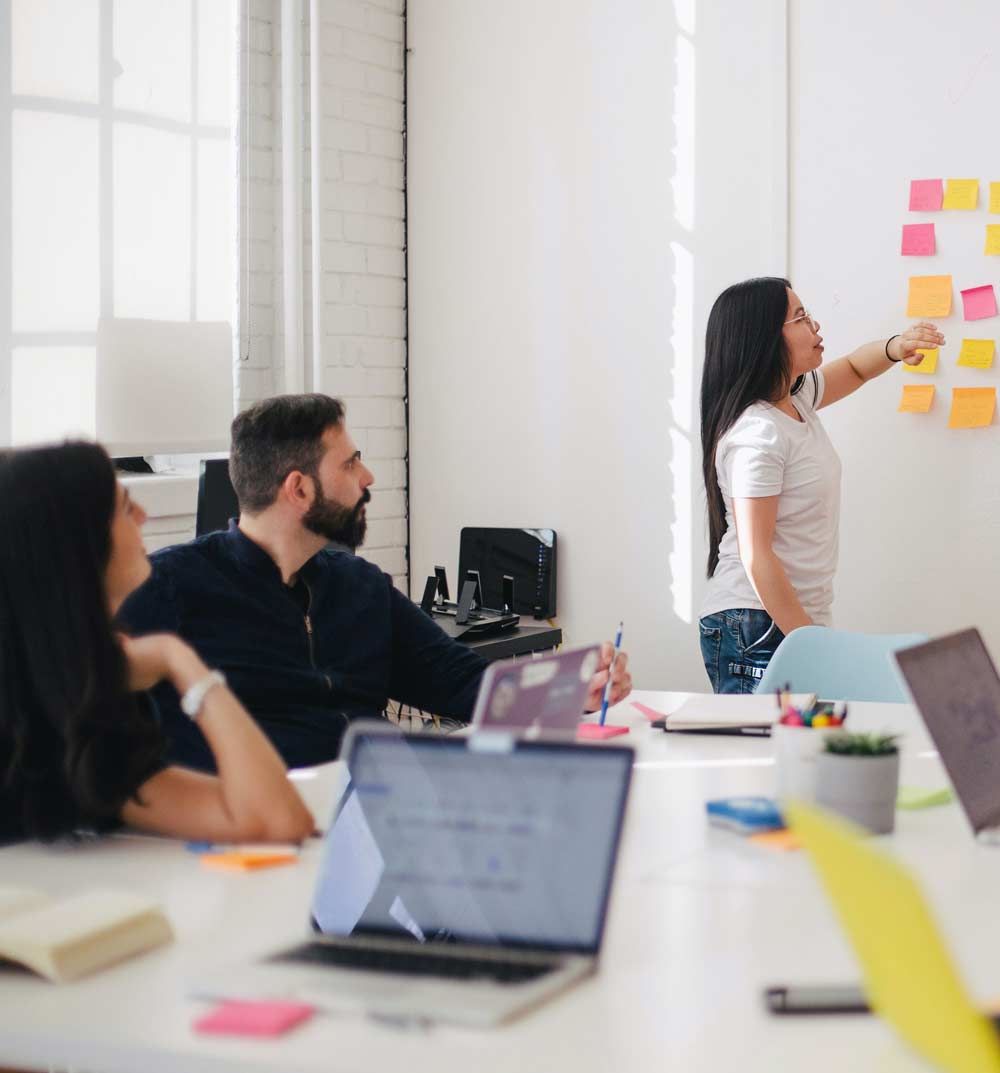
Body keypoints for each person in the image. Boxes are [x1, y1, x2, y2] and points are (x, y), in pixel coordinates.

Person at [119, 394, 632, 769]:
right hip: (258, 842)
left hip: (384, 815)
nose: (368, 478)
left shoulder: (360, 587)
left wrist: (570, 688)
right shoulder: (171, 588)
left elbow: (466, 685)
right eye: (350, 462)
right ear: (298, 489)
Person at [0, 442, 314, 844]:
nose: (143, 516)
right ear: (81, 544)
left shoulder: (84, 700)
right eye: (126, 508)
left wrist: (178, 659)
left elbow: (275, 821)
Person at [698, 277, 943, 693]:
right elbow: (756, 555)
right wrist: (812, 643)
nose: (816, 327)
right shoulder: (757, 434)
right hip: (754, 621)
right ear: (764, 338)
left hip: (786, 619)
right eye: (800, 318)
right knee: (765, 752)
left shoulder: (797, 401)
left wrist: (895, 347)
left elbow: (853, 367)